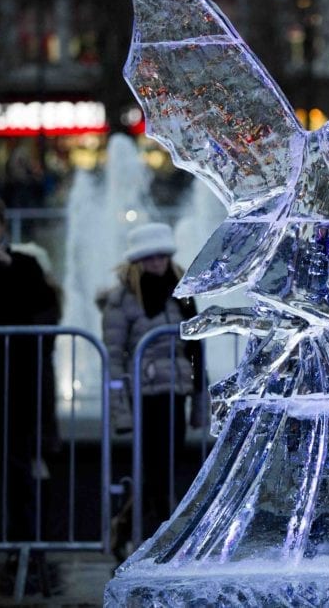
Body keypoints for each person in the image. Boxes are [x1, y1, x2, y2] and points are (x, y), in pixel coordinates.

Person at [98, 222, 204, 536]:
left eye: (161, 256)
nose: (157, 262)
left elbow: (196, 349)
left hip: (177, 391)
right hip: (143, 394)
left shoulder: (183, 293)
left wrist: (201, 399)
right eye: (149, 257)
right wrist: (120, 409)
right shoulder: (122, 299)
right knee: (154, 471)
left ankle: (130, 528)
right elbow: (113, 357)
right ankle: (157, 534)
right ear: (136, 261)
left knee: (166, 467)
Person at [0, 193, 61, 591]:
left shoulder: (25, 264)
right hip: (2, 379)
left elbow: (46, 312)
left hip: (18, 383)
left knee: (21, 466)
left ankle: (26, 545)